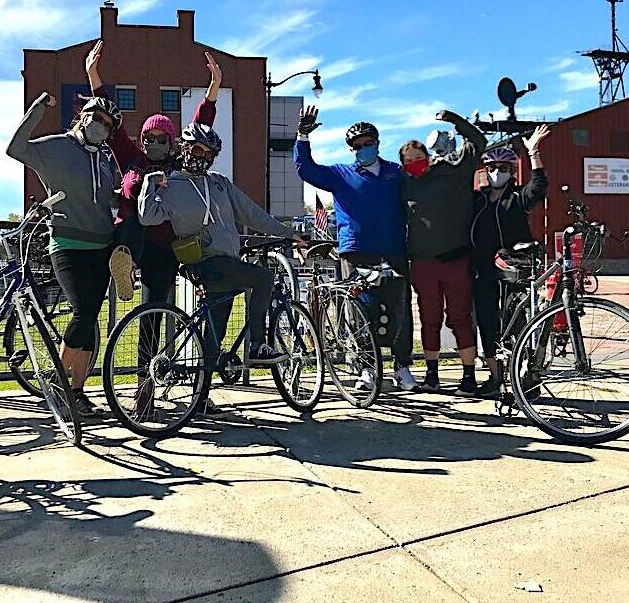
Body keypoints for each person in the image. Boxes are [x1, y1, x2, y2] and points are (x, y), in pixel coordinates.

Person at [138, 123, 306, 415]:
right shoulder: (171, 184)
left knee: (214, 335)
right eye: (197, 149)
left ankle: (200, 400)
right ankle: (257, 346)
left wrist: (286, 232)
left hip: (227, 264)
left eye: (209, 152)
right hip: (205, 262)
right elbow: (148, 217)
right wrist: (150, 185)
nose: (201, 156)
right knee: (263, 277)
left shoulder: (219, 183)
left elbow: (251, 213)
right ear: (184, 149)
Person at [6, 90, 120, 418]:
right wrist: (37, 110)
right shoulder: (56, 147)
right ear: (82, 116)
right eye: (96, 118)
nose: (100, 126)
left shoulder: (106, 157)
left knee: (88, 323)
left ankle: (77, 393)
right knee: (84, 311)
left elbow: (107, 198)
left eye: (107, 124)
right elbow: (15, 148)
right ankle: (55, 383)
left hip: (103, 246)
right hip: (68, 244)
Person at [83, 40, 222, 304]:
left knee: (154, 308)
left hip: (163, 246)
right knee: (134, 219)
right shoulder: (132, 157)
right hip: (130, 237)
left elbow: (199, 128)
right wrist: (93, 77)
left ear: (172, 143)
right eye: (149, 138)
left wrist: (213, 87)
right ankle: (125, 262)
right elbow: (112, 122)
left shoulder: (178, 163)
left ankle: (149, 345)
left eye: (162, 139)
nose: (155, 144)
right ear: (142, 140)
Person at [294, 107, 418, 392]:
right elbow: (306, 169)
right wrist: (303, 135)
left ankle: (402, 368)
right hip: (356, 252)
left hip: (394, 250)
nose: (363, 149)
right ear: (351, 149)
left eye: (367, 144)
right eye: (357, 146)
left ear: (377, 142)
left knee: (399, 310)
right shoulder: (340, 174)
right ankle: (367, 369)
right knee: (360, 311)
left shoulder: (395, 173)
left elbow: (424, 184)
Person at [399, 109, 487, 394]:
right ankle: (432, 375)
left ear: (428, 154)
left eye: (418, 157)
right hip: (422, 262)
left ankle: (468, 376)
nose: (415, 163)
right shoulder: (404, 185)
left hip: (455, 256)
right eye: (408, 161)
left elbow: (478, 143)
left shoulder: (452, 169)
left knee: (461, 316)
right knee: (429, 318)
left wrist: (456, 121)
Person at [470, 126, 550, 397]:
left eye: (503, 167)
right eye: (492, 166)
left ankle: (523, 379)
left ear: (512, 171)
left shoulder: (517, 198)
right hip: (482, 271)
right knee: (487, 324)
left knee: (516, 325)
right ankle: (494, 379)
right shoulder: (477, 200)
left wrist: (533, 152)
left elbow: (539, 187)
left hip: (512, 271)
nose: (497, 171)